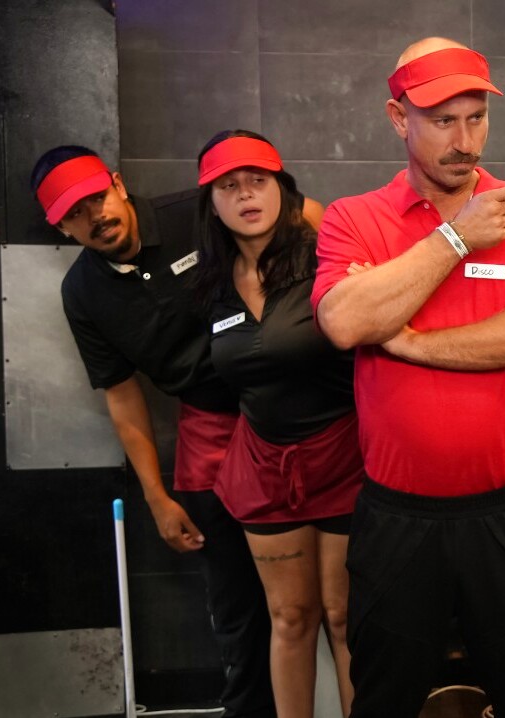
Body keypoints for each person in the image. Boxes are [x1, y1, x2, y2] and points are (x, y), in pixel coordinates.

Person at [309, 37, 505, 718]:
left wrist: (407, 339)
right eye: (442, 121)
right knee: (385, 697)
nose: (464, 141)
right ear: (399, 119)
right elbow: (343, 322)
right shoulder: (354, 218)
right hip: (396, 517)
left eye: (476, 118)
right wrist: (456, 237)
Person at [32, 146, 274, 717]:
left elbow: (303, 214)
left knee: (330, 591)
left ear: (118, 184)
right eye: (74, 214)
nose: (94, 217)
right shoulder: (82, 293)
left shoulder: (196, 210)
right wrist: (157, 497)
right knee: (237, 603)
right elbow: (122, 395)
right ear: (62, 228)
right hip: (209, 427)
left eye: (97, 198)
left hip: (287, 402)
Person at [193, 130, 362, 718]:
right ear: (211, 203)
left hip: (344, 457)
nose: (245, 195)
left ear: (283, 189)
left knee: (344, 617)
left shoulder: (325, 256)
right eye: (229, 186)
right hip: (265, 466)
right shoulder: (211, 285)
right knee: (289, 617)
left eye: (257, 181)